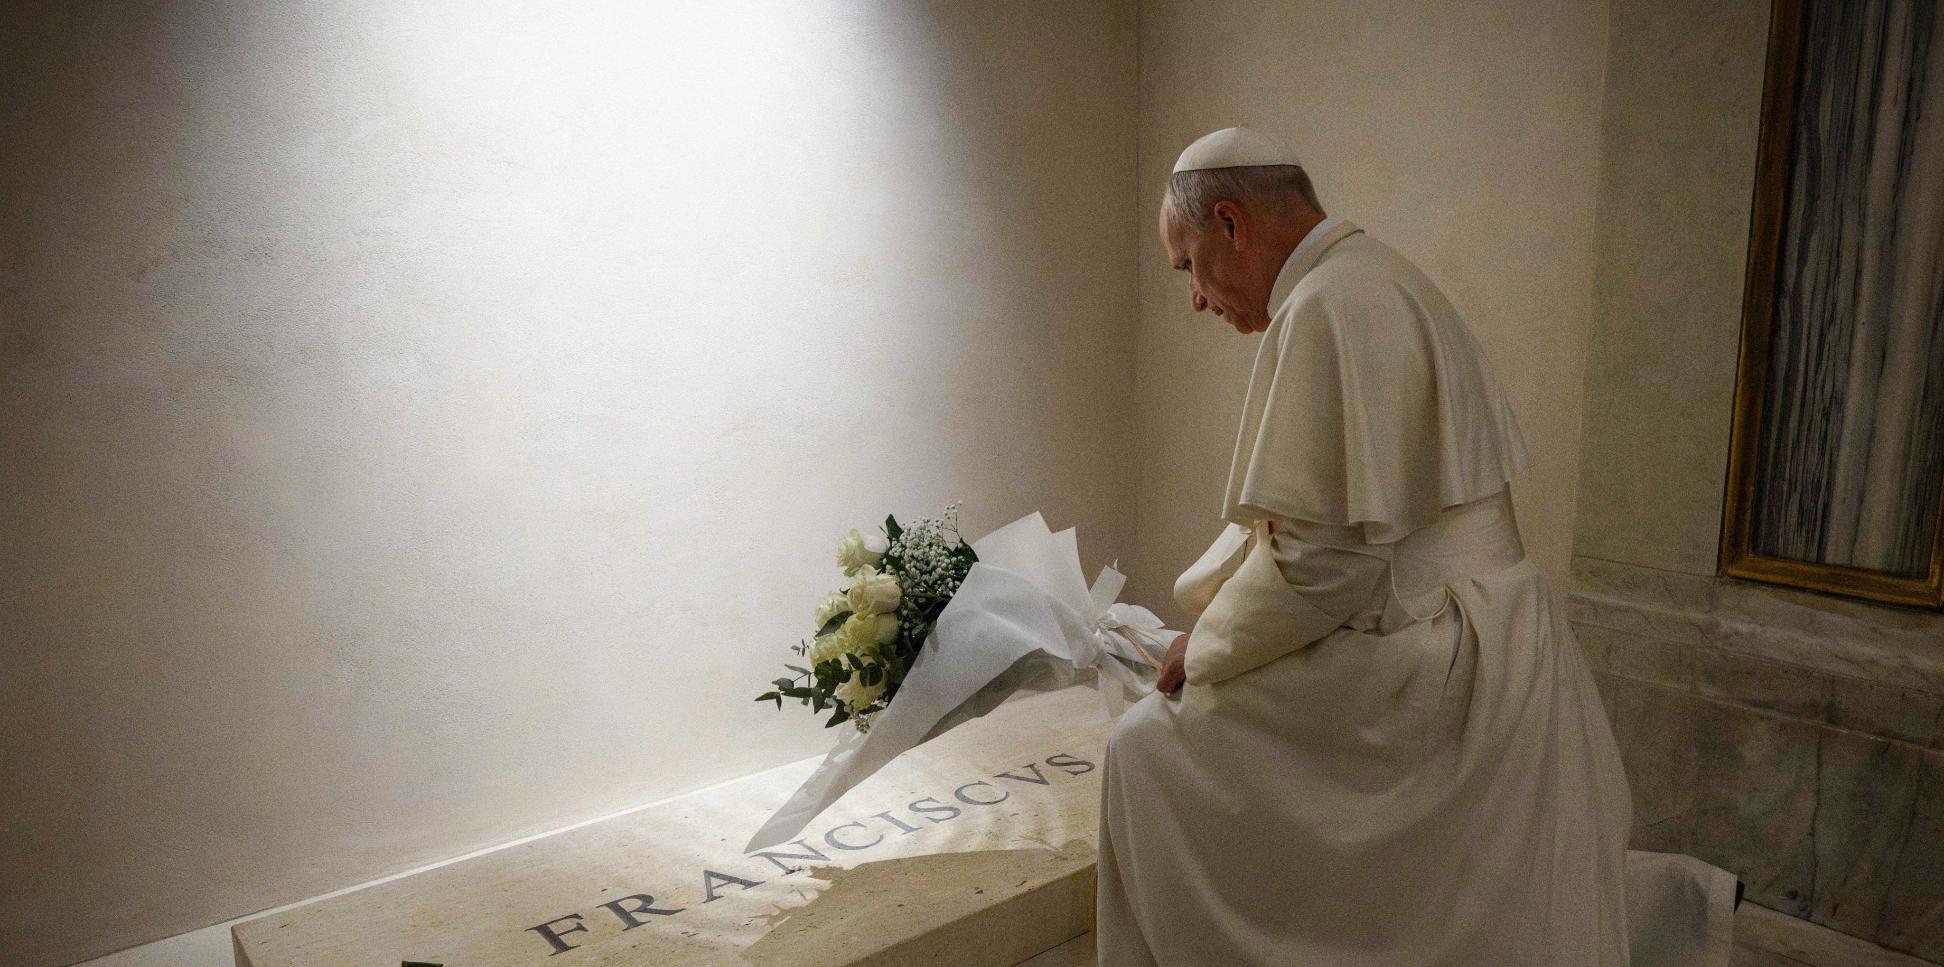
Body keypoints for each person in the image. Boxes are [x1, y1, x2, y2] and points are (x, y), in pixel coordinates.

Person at [1093, 126, 1737, 966]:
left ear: (1231, 224)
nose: (1196, 299)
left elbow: (1324, 563)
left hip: (1432, 656)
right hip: (1503, 636)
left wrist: (1202, 649)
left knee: (1144, 749)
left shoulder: (1327, 304)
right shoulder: (1383, 277)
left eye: (1188, 267)